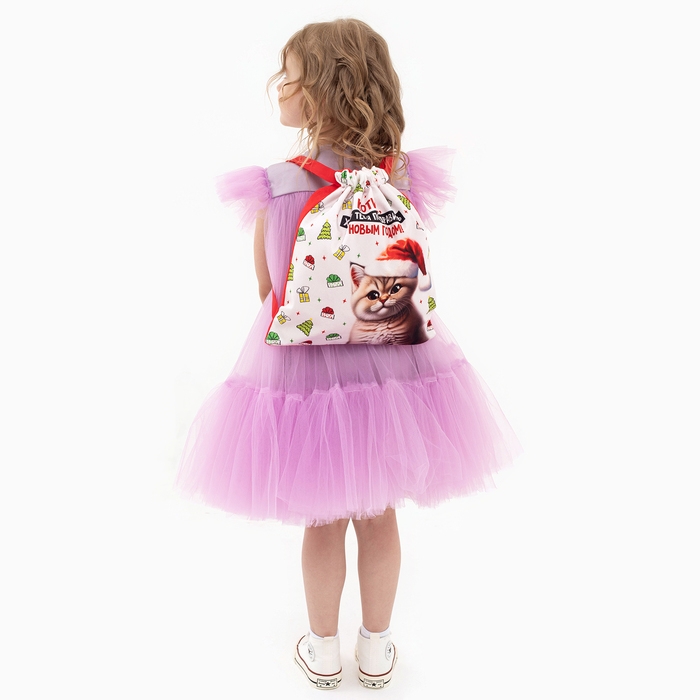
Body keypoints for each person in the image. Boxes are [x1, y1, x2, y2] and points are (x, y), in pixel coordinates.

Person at [176, 18, 521, 691]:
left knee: (323, 517)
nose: (278, 86)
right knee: (380, 513)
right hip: (392, 365)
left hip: (306, 372)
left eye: (288, 75)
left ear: (319, 90)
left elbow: (270, 289)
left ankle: (323, 649)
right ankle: (378, 648)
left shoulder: (277, 184)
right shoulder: (401, 175)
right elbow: (407, 270)